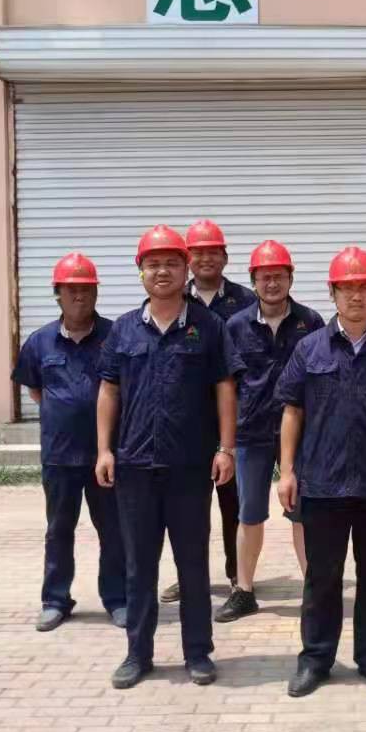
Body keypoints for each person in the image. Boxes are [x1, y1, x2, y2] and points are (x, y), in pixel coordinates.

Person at [275, 247, 366, 698]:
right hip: (323, 484)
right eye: (347, 288)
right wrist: (287, 472)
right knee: (322, 578)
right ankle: (315, 659)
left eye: (364, 287)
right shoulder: (310, 348)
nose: (356, 296)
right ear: (333, 293)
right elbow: (292, 411)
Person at [95, 225, 240, 691]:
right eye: (153, 264)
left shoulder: (209, 327)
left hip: (189, 467)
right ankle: (138, 654)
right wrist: (104, 449)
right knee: (139, 566)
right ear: (140, 271)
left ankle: (198, 652)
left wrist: (225, 448)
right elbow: (109, 390)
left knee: (192, 564)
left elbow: (225, 388)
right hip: (135, 466)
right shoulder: (123, 329)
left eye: (171, 263)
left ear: (186, 269)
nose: (162, 271)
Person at [12, 252, 126, 633]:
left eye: (86, 289)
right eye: (71, 289)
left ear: (96, 293)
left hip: (105, 456)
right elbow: (36, 390)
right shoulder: (39, 342)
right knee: (58, 530)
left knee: (114, 530)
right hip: (60, 456)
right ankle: (55, 600)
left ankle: (118, 598)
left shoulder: (115, 337)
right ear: (57, 294)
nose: (79, 296)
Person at [215, 240, 325, 623]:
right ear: (254, 281)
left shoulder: (311, 322)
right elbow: (228, 385)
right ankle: (244, 591)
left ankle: (314, 590)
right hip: (252, 432)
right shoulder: (235, 326)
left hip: (301, 432)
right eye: (265, 277)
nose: (272, 283)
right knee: (249, 513)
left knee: (302, 512)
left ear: (291, 278)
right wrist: (226, 444)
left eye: (279, 276)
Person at [160, 218, 255, 605]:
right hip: (189, 422)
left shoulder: (246, 301)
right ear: (188, 259)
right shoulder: (173, 299)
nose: (206, 259)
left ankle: (237, 574)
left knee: (234, 503)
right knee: (189, 508)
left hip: (235, 418)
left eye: (213, 252)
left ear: (225, 258)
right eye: (198, 253)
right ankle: (190, 576)